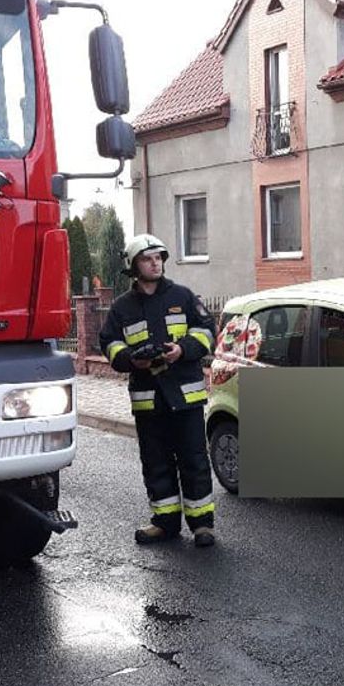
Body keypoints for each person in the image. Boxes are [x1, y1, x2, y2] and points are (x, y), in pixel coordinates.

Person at [99, 234, 218, 546]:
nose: (155, 263)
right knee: (156, 462)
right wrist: (130, 360)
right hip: (149, 400)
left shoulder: (183, 295)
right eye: (147, 258)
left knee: (194, 460)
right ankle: (164, 523)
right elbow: (109, 344)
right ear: (133, 266)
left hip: (185, 396)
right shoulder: (122, 307)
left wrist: (182, 349)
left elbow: (207, 331)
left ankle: (202, 525)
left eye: (159, 257)